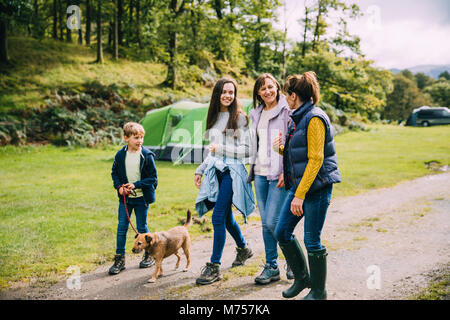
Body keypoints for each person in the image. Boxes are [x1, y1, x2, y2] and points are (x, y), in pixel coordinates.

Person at [273, 72, 341, 300]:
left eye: (285, 94)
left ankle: (319, 292)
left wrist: (299, 195)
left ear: (293, 96)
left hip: (317, 188)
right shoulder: (299, 117)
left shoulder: (314, 118)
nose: (284, 99)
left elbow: (316, 159)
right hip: (301, 187)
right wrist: (281, 149)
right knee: (282, 232)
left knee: (312, 240)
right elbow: (299, 155)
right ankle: (303, 278)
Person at [194, 78, 255, 285]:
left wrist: (222, 150)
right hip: (216, 172)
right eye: (224, 92)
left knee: (218, 217)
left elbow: (248, 151)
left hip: (233, 173)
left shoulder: (240, 118)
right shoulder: (213, 118)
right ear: (217, 94)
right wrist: (200, 169)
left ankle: (214, 266)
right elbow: (211, 152)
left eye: (231, 92)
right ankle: (244, 249)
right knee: (227, 218)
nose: (228, 95)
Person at [248, 73, 293, 284]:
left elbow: (291, 143)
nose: (267, 91)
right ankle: (271, 266)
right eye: (263, 88)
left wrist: (287, 169)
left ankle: (293, 261)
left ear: (277, 87)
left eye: (270, 87)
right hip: (259, 173)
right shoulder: (255, 113)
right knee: (265, 224)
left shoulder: (287, 110)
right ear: (258, 92)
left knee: (275, 222)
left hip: (279, 174)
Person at [109, 122, 158, 275]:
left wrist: (136, 185)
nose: (140, 141)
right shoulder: (120, 155)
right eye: (136, 138)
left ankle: (149, 255)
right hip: (125, 199)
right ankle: (120, 259)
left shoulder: (147, 155)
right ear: (126, 138)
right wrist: (119, 187)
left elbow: (153, 178)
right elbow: (114, 173)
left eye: (142, 137)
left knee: (142, 227)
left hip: (141, 199)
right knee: (122, 227)